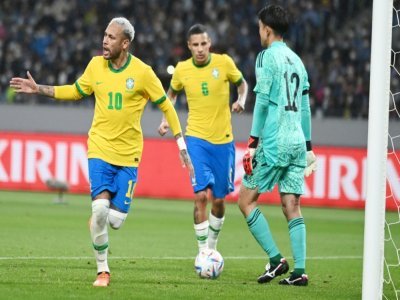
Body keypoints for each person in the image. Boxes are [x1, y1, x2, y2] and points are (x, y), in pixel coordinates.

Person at [10, 17, 194, 287]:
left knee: (115, 220)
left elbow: (167, 106)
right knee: (99, 210)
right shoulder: (96, 66)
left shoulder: (143, 73)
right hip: (99, 148)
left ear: (125, 43)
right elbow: (75, 91)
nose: (104, 40)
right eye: (104, 35)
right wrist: (40, 90)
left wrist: (181, 146)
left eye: (111, 37)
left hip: (129, 155)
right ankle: (102, 270)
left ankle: (100, 221)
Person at [238, 5, 317, 286]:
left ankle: (276, 259)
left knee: (245, 200)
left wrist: (252, 143)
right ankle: (300, 271)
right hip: (297, 140)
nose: (259, 32)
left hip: (274, 140)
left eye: (260, 27)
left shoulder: (266, 57)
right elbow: (305, 108)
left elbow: (261, 101)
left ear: (267, 29)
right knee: (292, 205)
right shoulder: (298, 61)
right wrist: (308, 147)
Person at [158, 24, 248, 254]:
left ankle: (212, 247)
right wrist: (166, 119)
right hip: (196, 140)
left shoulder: (224, 63)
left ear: (210, 44)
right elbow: (172, 94)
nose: (200, 49)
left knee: (218, 200)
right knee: (200, 196)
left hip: (223, 142)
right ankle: (202, 253)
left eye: (203, 44)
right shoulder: (182, 69)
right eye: (195, 45)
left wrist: (241, 100)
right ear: (189, 46)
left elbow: (242, 84)